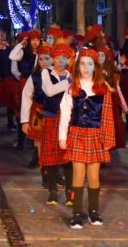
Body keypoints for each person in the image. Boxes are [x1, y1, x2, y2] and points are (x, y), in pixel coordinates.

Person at [58, 48, 115, 229]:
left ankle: (93, 211)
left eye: (90, 64)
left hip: (95, 135)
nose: (86, 67)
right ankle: (76, 213)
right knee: (78, 174)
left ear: (95, 66)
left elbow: (108, 117)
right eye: (82, 64)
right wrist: (62, 136)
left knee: (93, 176)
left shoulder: (103, 88)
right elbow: (65, 113)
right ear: (77, 66)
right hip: (76, 134)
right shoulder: (72, 88)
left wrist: (106, 139)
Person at [40, 44, 74, 206]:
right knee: (51, 157)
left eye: (63, 58)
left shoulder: (72, 75)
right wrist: (69, 82)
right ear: (53, 59)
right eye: (57, 58)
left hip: (67, 120)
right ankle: (52, 191)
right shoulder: (46, 73)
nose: (60, 61)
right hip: (52, 116)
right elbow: (50, 91)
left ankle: (69, 191)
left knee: (67, 157)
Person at [20, 45, 54, 186]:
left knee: (54, 146)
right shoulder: (34, 77)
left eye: (46, 58)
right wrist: (24, 121)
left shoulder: (62, 75)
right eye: (40, 59)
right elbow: (26, 97)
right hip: (38, 115)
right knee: (40, 147)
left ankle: (55, 174)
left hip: (54, 115)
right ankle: (45, 175)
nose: (43, 61)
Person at [98, 46, 128, 150]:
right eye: (98, 55)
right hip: (95, 103)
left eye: (102, 55)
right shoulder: (92, 69)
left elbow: (117, 88)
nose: (100, 57)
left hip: (109, 103)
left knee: (108, 128)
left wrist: (123, 105)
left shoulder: (112, 72)